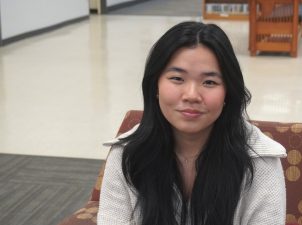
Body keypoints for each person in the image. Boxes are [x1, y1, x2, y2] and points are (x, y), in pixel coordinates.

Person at [98, 21, 287, 225]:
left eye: (209, 82)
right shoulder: (127, 155)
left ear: (228, 93)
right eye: (177, 78)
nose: (191, 95)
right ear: (155, 86)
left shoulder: (259, 161)